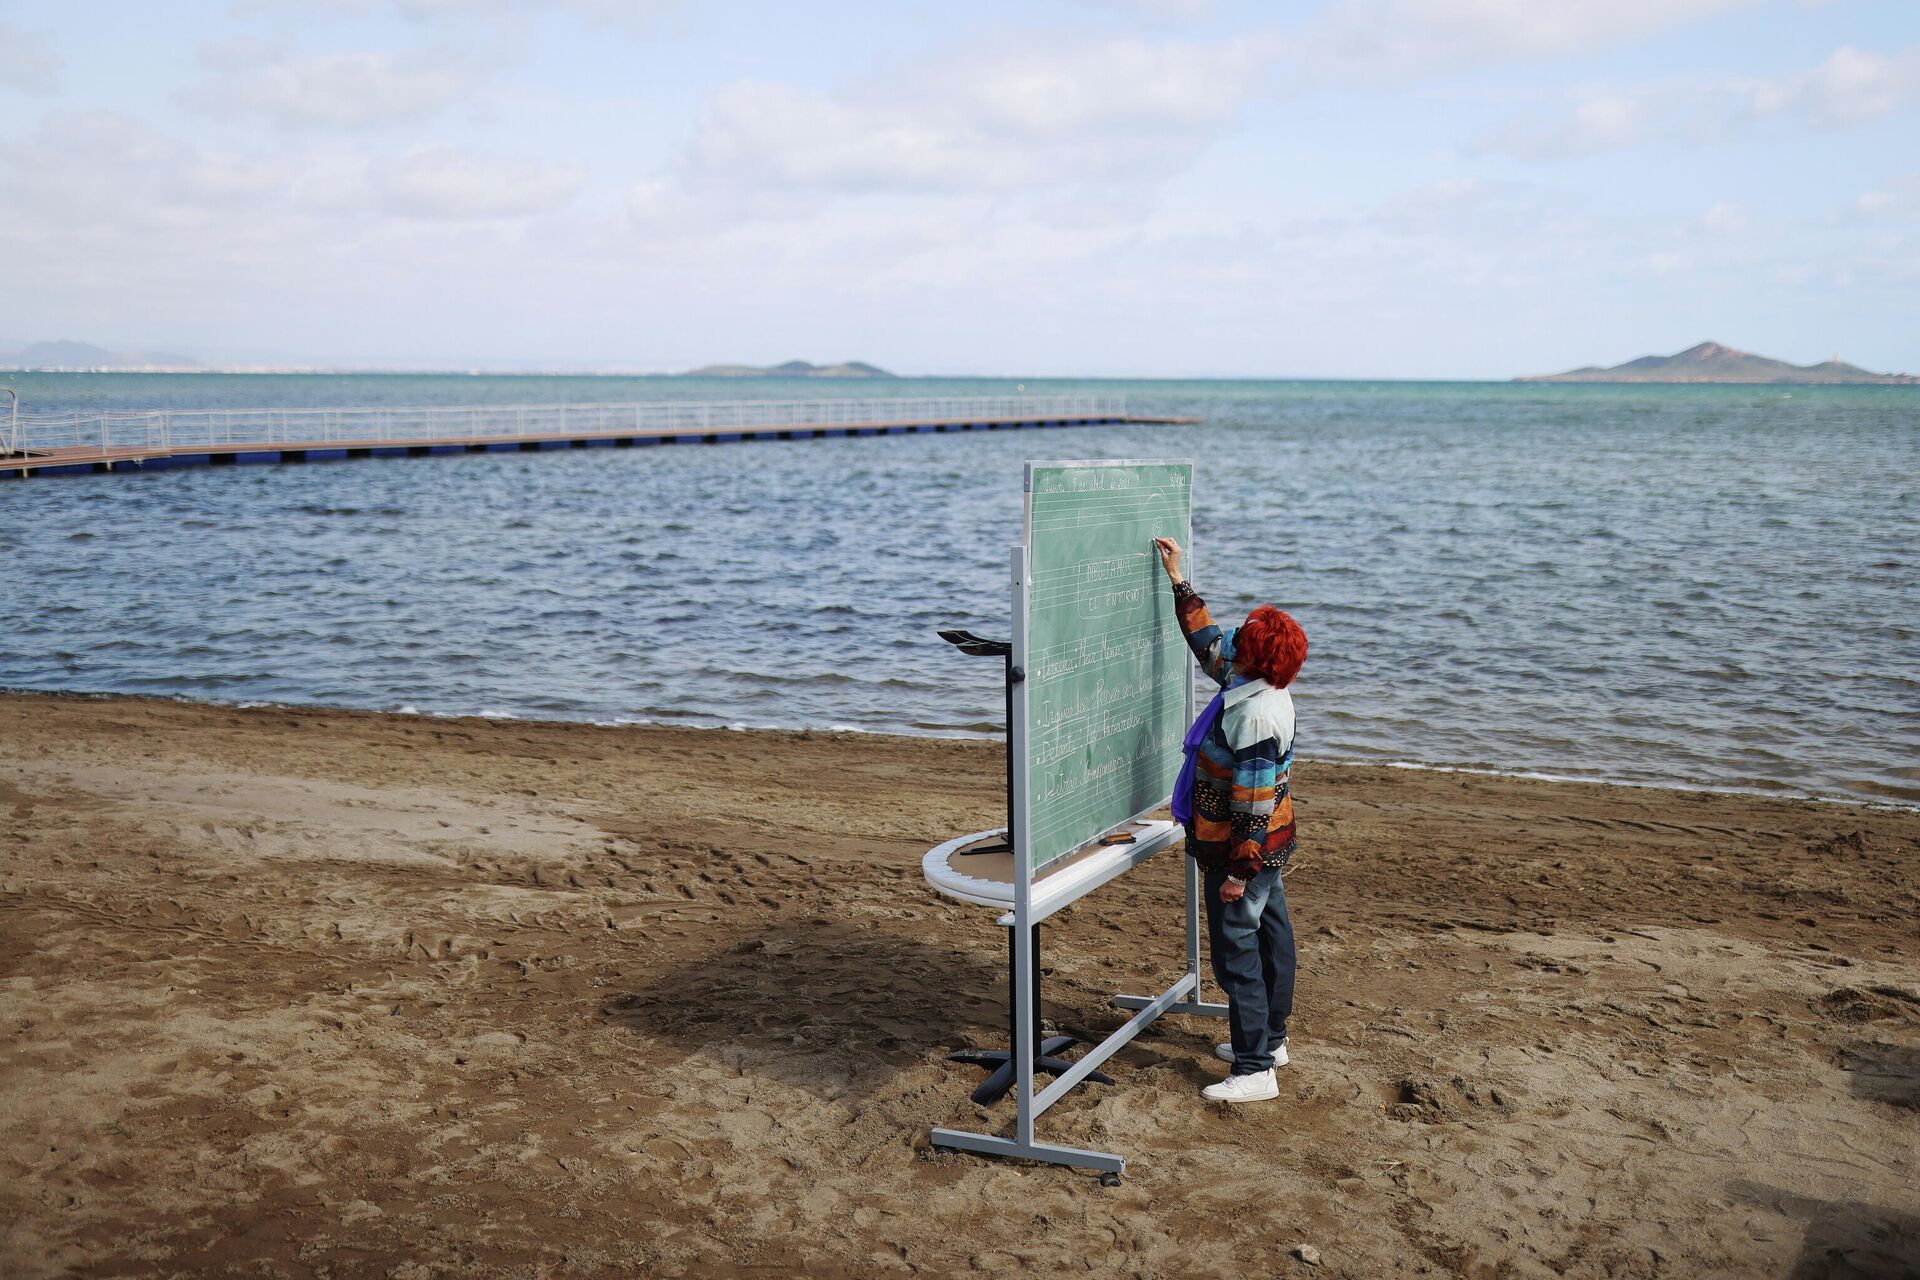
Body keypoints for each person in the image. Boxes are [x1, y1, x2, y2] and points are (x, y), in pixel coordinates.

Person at [1152, 536, 1308, 1104]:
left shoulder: (1257, 715)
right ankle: (1271, 1040)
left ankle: (1254, 1068)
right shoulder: (1248, 683)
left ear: (1256, 656)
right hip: (1268, 844)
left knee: (1237, 950)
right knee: (1271, 934)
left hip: (1246, 848)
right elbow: (1207, 642)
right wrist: (1178, 579)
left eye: (1244, 637)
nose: (1234, 639)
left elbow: (1252, 803)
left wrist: (1239, 870)